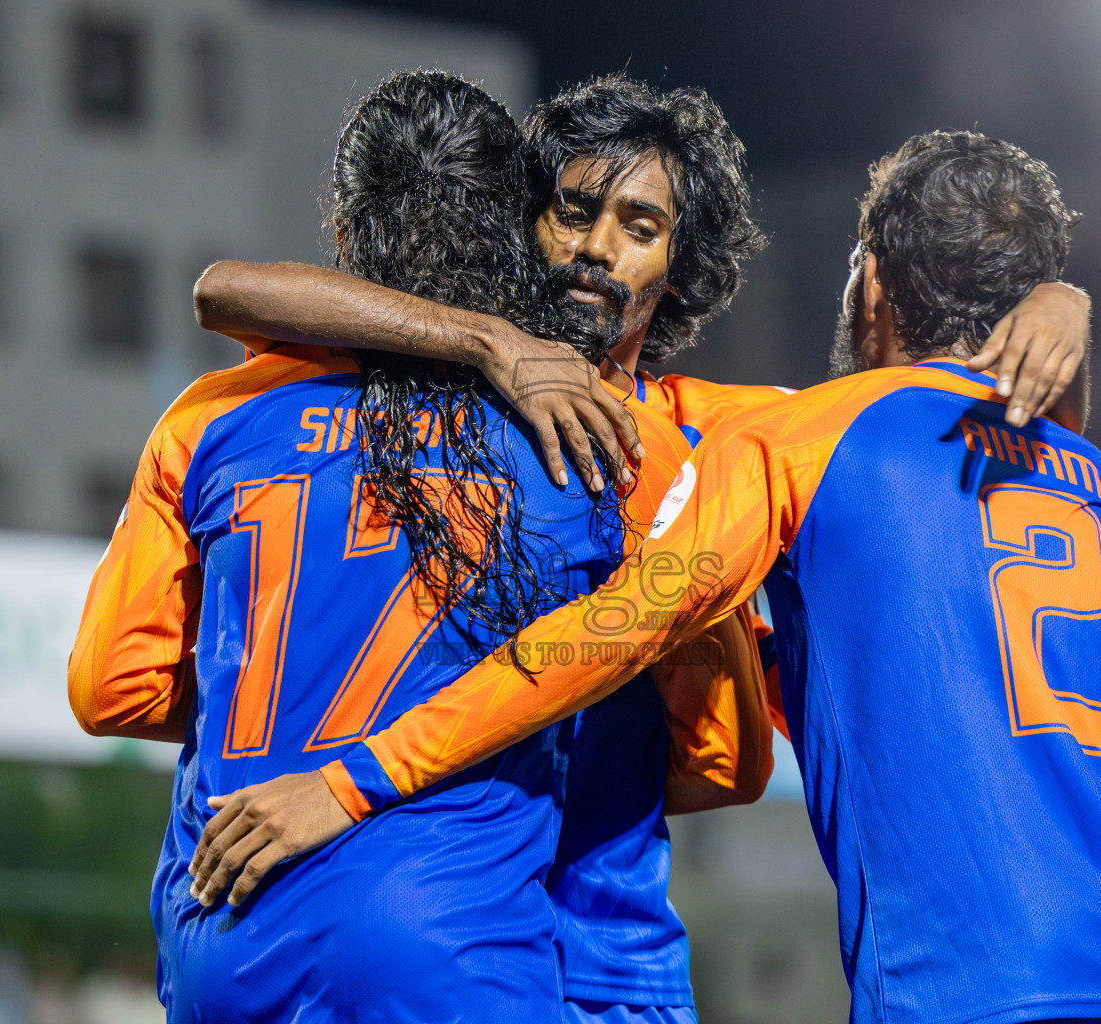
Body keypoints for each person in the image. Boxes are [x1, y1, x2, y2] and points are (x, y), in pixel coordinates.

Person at [206, 130, 1101, 1024]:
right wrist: (1064, 297)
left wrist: (352, 780)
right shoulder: (1093, 482)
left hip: (976, 987)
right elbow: (1032, 430)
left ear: (867, 281)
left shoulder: (792, 438)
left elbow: (608, 635)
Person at [67, 70, 692, 1022]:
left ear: (348, 231)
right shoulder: (595, 441)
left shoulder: (212, 417)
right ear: (515, 229)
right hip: (451, 939)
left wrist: (273, 687)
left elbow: (107, 689)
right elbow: (724, 758)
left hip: (225, 925)